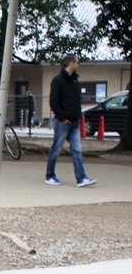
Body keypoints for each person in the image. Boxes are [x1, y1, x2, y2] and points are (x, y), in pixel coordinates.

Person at [45, 55, 96, 187]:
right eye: (77, 62)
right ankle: (50, 175)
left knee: (77, 149)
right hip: (63, 122)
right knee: (56, 149)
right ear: (71, 63)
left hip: (74, 121)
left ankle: (81, 178)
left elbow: (76, 101)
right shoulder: (58, 80)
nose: (78, 65)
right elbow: (54, 102)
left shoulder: (74, 81)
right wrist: (62, 118)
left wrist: (78, 116)